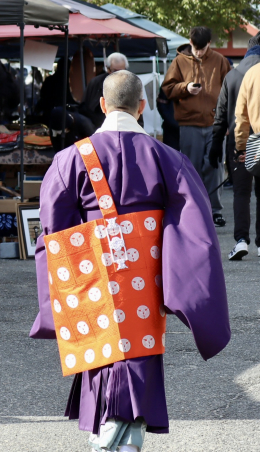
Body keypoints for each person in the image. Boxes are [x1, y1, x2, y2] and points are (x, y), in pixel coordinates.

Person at [31, 70, 230, 452]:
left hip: (91, 275)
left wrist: (60, 289)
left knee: (99, 349)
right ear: (142, 107)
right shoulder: (167, 158)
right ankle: (127, 437)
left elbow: (54, 231)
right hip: (146, 276)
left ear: (103, 105)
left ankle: (103, 433)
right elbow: (195, 224)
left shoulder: (70, 159)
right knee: (139, 351)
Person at [161, 26, 231, 227]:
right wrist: (185, 87)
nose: (199, 52)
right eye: (195, 48)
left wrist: (226, 121)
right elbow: (167, 89)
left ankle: (215, 210)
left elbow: (230, 89)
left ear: (209, 44)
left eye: (203, 48)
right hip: (189, 123)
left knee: (215, 166)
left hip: (215, 123)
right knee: (192, 168)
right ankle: (195, 208)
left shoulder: (219, 60)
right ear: (190, 43)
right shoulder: (179, 61)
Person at [210, 35, 260, 260]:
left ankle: (241, 240)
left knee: (241, 193)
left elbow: (223, 116)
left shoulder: (232, 75)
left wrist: (218, 146)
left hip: (241, 142)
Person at [82, 53, 129, 128]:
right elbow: (85, 108)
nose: (118, 74)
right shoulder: (96, 83)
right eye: (114, 71)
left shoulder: (131, 84)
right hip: (97, 128)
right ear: (108, 69)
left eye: (121, 71)